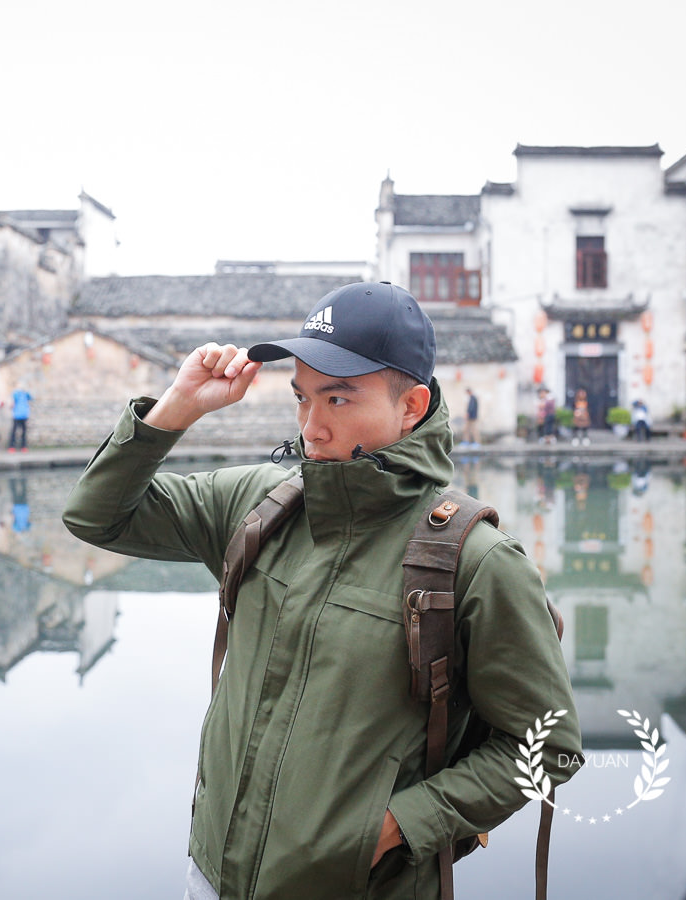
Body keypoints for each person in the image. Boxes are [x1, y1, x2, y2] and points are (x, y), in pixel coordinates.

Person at [62, 281, 581, 900]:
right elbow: (98, 516)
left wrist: (398, 826)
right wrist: (177, 406)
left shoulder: (477, 560)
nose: (313, 427)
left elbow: (548, 745)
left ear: (412, 405)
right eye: (302, 398)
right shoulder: (259, 503)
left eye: (338, 398)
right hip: (210, 875)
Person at [9, 384, 32, 452]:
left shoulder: (26, 394)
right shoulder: (16, 394)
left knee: (23, 432)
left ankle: (23, 446)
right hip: (17, 415)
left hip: (24, 415)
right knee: (14, 431)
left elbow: (31, 397)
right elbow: (12, 402)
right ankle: (12, 446)